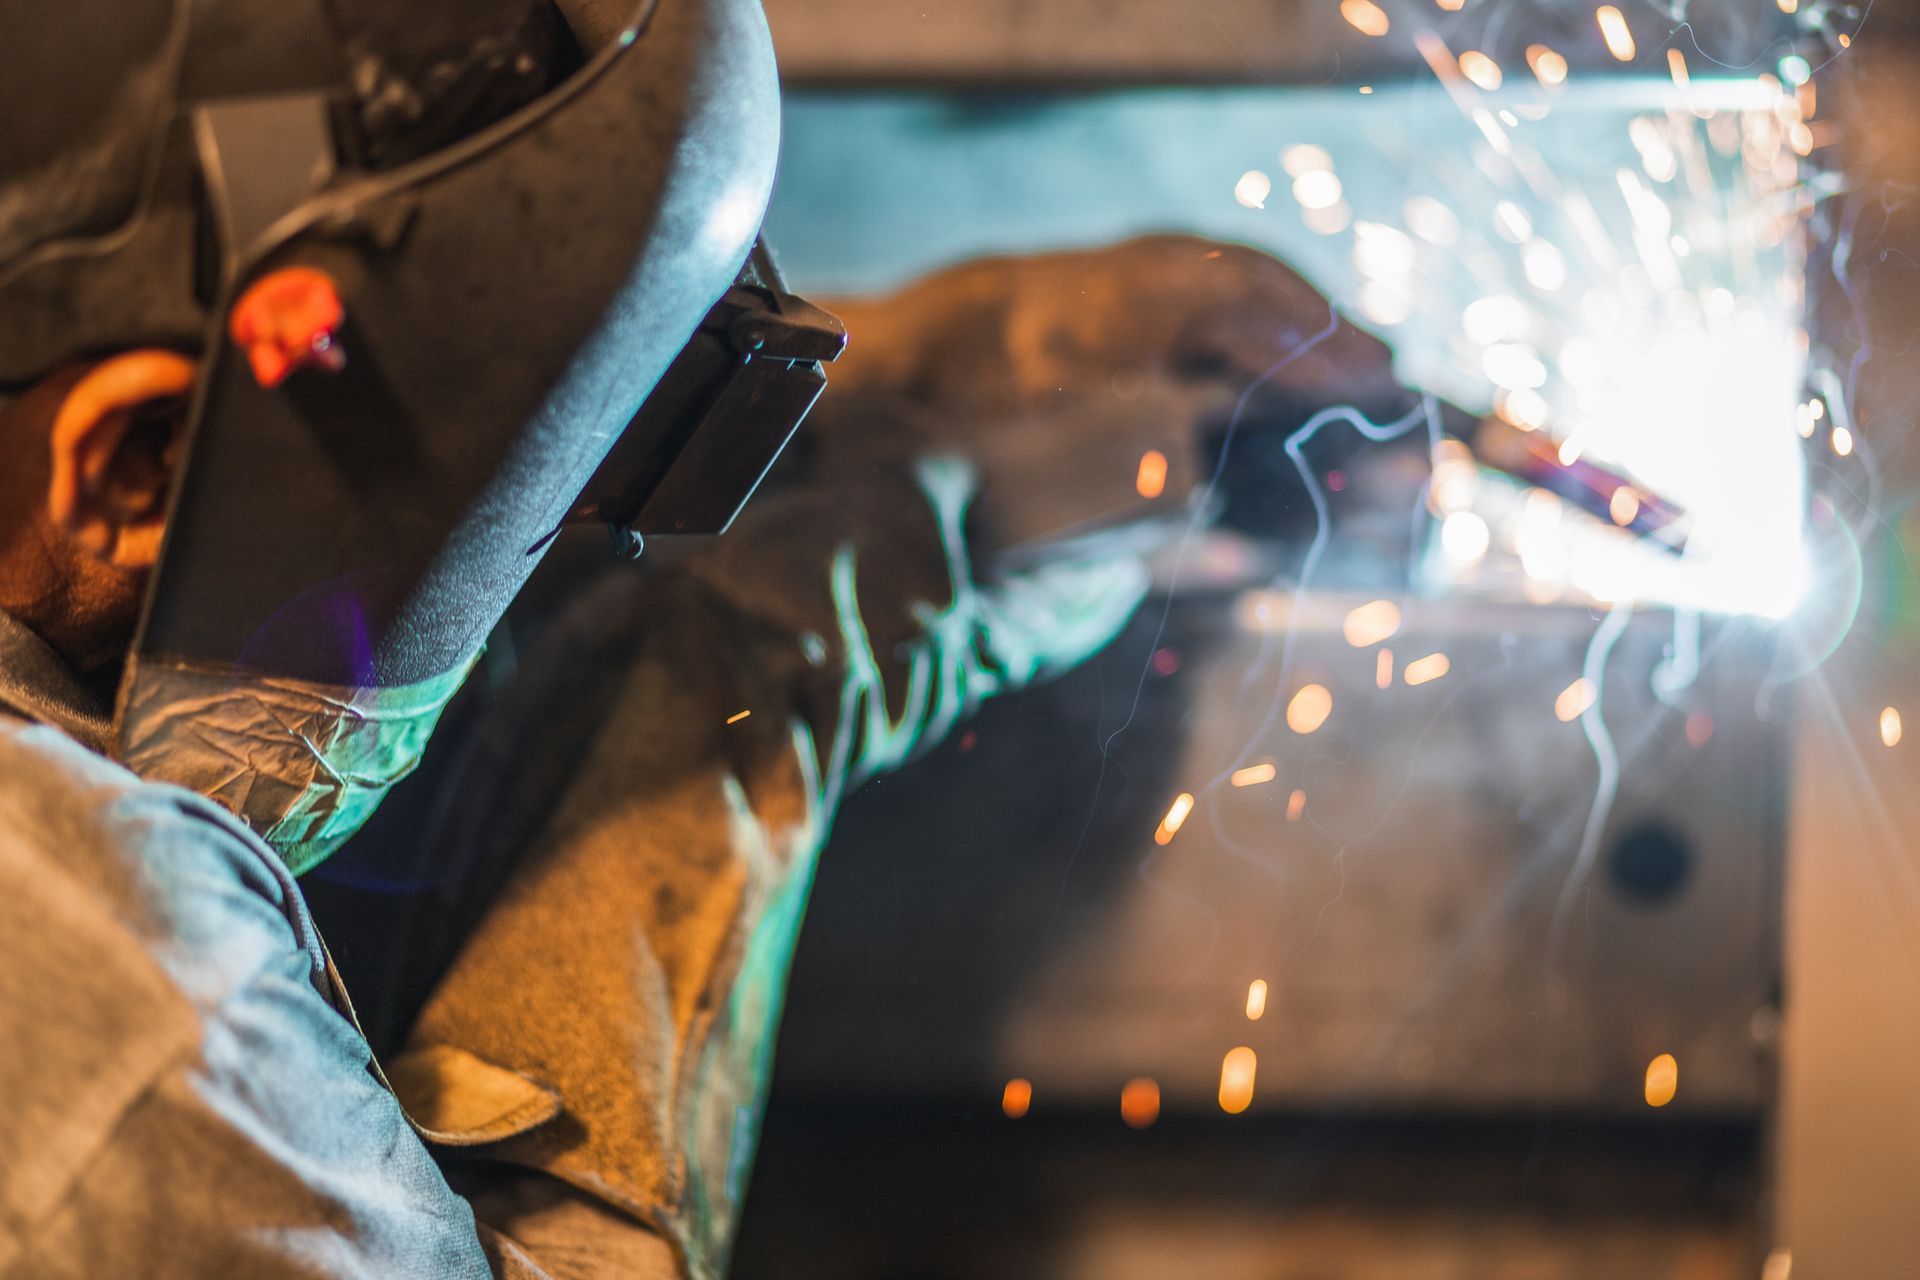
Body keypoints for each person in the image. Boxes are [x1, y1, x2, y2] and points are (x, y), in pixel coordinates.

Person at [0, 3, 1435, 1274]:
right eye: (522, 514)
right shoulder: (122, 983)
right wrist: (748, 701)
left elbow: (403, 417)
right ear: (132, 462)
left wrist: (940, 359)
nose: (552, 544)